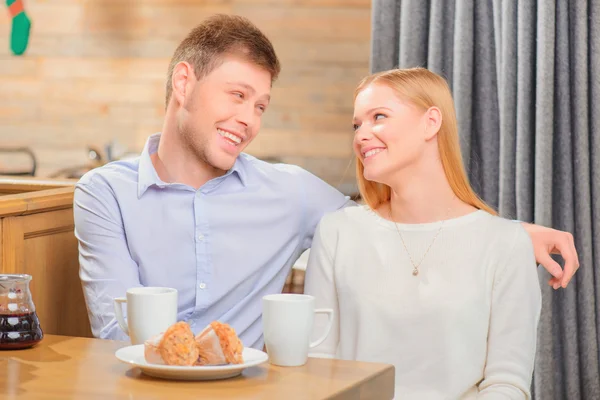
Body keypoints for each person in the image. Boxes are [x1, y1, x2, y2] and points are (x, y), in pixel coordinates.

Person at [73, 14, 578, 350]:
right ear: (184, 83)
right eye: (237, 95)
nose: (248, 119)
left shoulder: (291, 192)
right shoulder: (105, 194)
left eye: (261, 105)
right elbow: (118, 332)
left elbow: (396, 225)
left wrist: (510, 233)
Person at [304, 67, 543, 398]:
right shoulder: (337, 232)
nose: (360, 135)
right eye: (357, 124)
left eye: (379, 117)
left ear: (431, 122)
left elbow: (507, 382)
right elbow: (318, 366)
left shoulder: (506, 243)